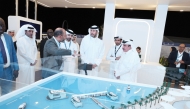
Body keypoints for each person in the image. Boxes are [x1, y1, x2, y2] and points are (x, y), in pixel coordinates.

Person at [0, 18, 19, 95]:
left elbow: (13, 53)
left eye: (2, 25)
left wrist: (16, 68)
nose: (1, 28)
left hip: (8, 71)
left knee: (7, 93)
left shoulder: (8, 37)